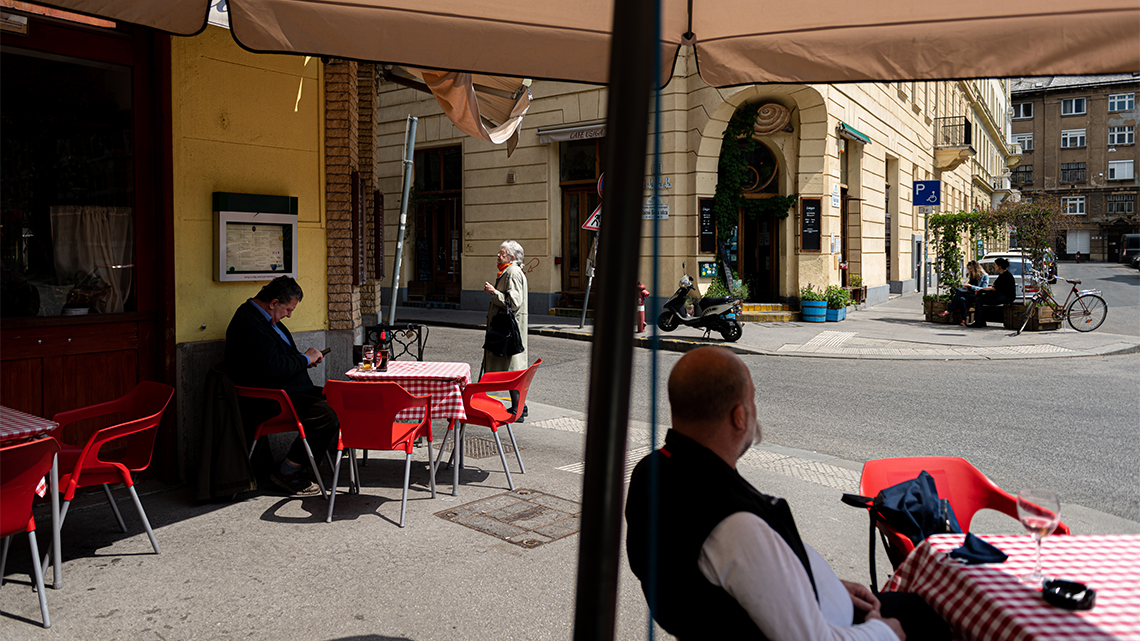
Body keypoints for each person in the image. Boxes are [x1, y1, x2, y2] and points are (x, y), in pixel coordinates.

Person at [626, 347, 949, 641]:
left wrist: (820, 585)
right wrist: (888, 632)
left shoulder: (653, 470)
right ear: (739, 416)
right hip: (840, 629)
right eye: (753, 400)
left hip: (809, 606)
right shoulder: (731, 522)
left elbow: (755, 579)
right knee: (934, 616)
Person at [225, 276, 338, 495]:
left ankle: (307, 464)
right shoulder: (249, 322)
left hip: (289, 390)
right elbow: (273, 367)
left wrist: (306, 360)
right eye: (288, 309)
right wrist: (305, 359)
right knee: (326, 414)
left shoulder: (269, 321)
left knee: (339, 401)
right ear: (273, 302)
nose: (288, 315)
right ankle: (288, 470)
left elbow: (283, 359)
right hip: (269, 398)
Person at [483, 240, 529, 421]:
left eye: (502, 253)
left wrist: (493, 292)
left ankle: (518, 410)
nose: (498, 255)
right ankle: (520, 407)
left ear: (511, 256)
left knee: (512, 368)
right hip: (511, 327)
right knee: (512, 367)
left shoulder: (513, 273)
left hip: (510, 329)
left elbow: (514, 303)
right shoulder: (509, 271)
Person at [969, 257, 1015, 328]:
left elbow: (993, 288)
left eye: (995, 265)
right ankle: (981, 320)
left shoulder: (1005, 276)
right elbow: (994, 286)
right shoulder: (1002, 275)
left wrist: (980, 290)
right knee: (981, 297)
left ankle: (979, 322)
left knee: (979, 299)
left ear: (999, 267)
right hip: (1002, 295)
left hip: (1006, 297)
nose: (994, 266)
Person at [939, 260, 989, 325]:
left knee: (959, 293)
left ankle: (948, 311)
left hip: (978, 295)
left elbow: (983, 288)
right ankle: (963, 320)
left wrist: (971, 286)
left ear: (976, 268)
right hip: (970, 294)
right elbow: (969, 286)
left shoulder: (984, 276)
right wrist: (966, 287)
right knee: (961, 299)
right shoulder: (971, 275)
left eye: (971, 268)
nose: (970, 270)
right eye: (969, 269)